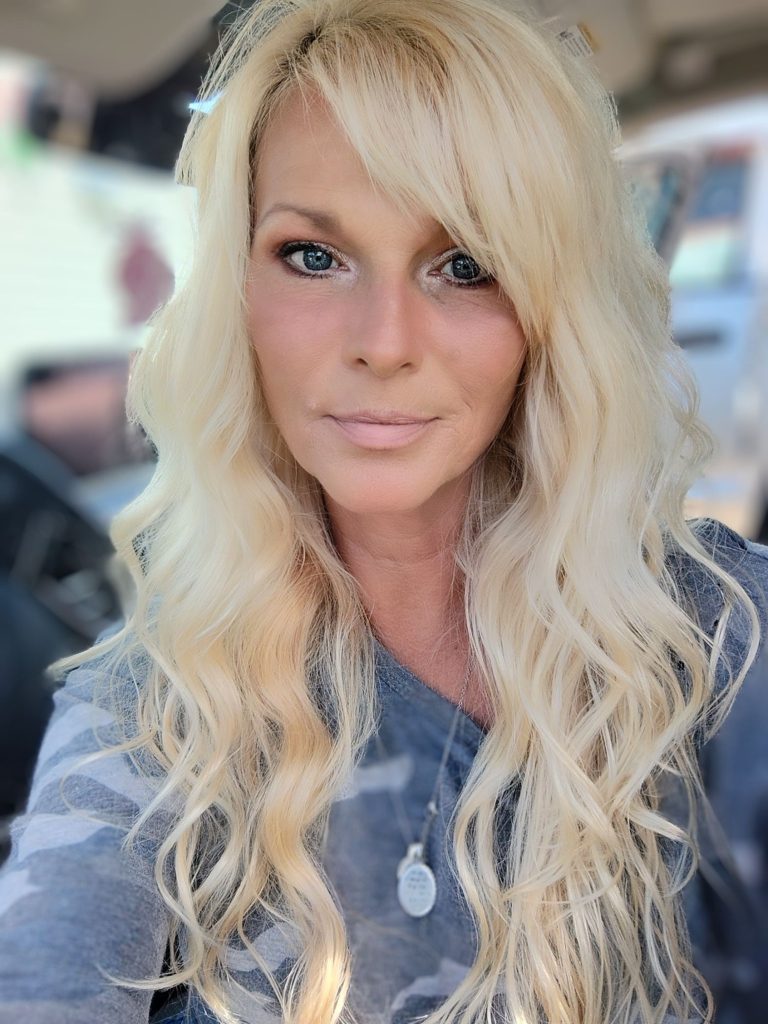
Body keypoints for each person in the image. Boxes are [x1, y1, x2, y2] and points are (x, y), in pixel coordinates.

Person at [1, 1, 767, 1022]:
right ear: (238, 287)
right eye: (313, 256)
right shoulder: (154, 708)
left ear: (552, 308)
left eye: (466, 264)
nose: (384, 341)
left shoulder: (727, 643)